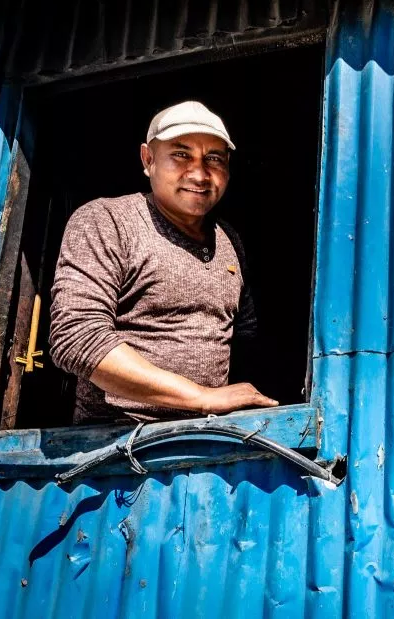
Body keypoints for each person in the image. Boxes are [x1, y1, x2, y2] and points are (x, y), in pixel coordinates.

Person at [49, 101, 278, 424]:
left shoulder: (230, 240)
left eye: (214, 158)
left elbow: (246, 338)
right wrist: (201, 397)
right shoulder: (108, 221)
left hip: (211, 437)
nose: (199, 174)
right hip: (116, 441)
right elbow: (77, 339)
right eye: (181, 154)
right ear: (148, 159)